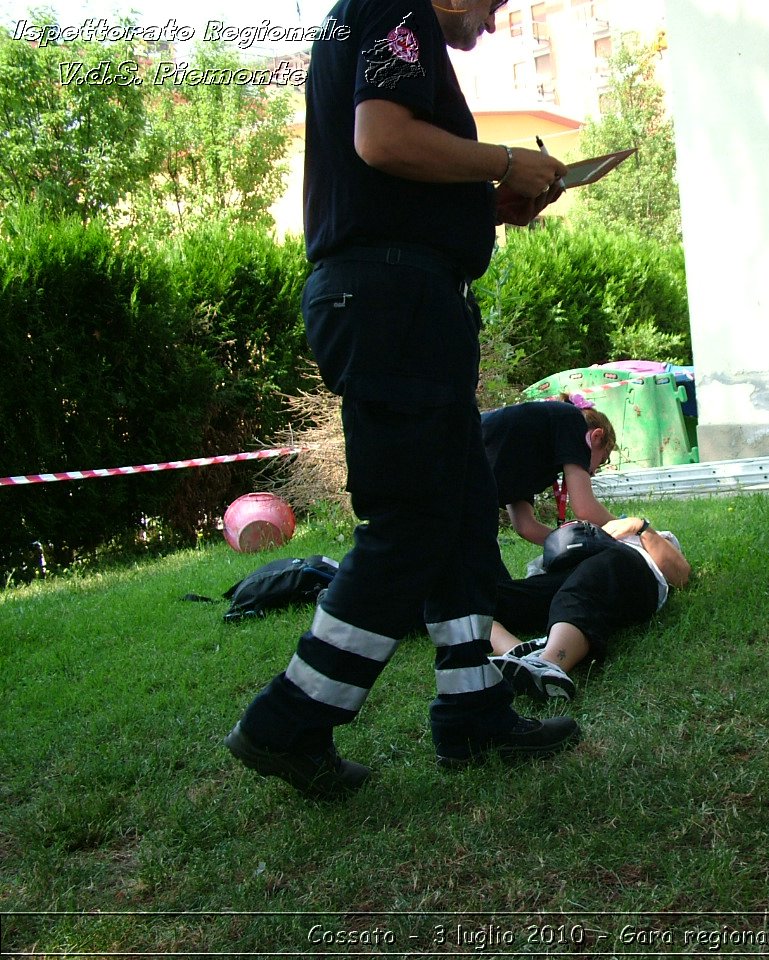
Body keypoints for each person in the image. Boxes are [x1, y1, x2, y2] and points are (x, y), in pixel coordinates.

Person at [223, 0, 581, 798]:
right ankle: (290, 718)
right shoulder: (394, 7)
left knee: (456, 512)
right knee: (413, 518)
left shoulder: (385, 19)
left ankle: (473, 710)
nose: (488, 24)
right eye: (490, 5)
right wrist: (498, 163)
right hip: (392, 302)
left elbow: (387, 177)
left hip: (405, 296)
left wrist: (488, 201)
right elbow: (381, 138)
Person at [488, 516, 691, 700]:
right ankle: (519, 657)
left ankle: (548, 665)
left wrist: (639, 526)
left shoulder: (645, 538)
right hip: (569, 571)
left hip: (626, 567)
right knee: (492, 596)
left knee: (583, 586)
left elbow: (681, 576)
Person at [482, 395, 618, 549]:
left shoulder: (534, 453)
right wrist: (630, 527)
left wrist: (574, 545)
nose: (593, 472)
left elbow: (525, 526)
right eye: (602, 460)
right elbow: (584, 508)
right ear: (596, 437)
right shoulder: (572, 420)